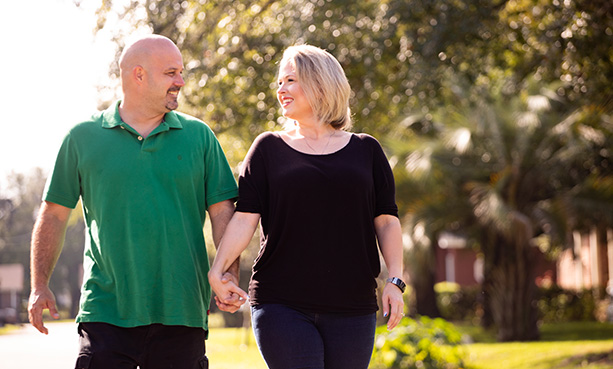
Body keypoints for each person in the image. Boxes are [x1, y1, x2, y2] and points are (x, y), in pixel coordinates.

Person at [27, 34, 241, 369]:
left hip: (181, 309)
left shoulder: (199, 137)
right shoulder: (82, 137)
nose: (181, 81)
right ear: (139, 75)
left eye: (181, 73)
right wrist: (39, 285)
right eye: (171, 73)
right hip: (106, 310)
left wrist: (227, 273)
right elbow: (53, 215)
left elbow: (223, 211)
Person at [208, 44, 405, 369]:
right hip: (281, 302)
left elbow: (386, 221)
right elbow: (245, 219)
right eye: (279, 82)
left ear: (320, 83)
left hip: (353, 305)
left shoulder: (366, 150)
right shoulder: (268, 148)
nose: (280, 90)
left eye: (290, 80)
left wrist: (395, 281)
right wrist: (218, 270)